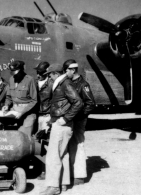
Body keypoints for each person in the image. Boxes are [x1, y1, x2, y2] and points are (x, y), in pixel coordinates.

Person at [40, 63, 82, 195]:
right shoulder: (62, 83)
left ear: (56, 74)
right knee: (62, 154)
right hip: (60, 122)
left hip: (62, 124)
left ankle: (53, 187)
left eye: (50, 75)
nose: (49, 78)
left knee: (53, 155)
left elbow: (78, 102)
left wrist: (65, 118)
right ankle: (63, 183)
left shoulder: (64, 84)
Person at [63, 59, 95, 185]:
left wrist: (79, 116)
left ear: (73, 70)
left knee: (78, 145)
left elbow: (91, 104)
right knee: (70, 145)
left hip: (78, 119)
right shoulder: (70, 82)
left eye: (67, 70)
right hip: (70, 119)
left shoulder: (83, 84)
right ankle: (71, 173)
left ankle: (79, 176)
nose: (66, 73)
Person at [0, 60, 37, 136]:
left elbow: (34, 100)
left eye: (16, 72)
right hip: (13, 110)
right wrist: (6, 105)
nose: (14, 75)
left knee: (23, 135)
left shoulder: (30, 80)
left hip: (27, 112)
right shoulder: (11, 79)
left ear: (21, 70)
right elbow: (8, 97)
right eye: (12, 72)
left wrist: (22, 112)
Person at [33, 61, 53, 180]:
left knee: (46, 144)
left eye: (40, 73)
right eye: (37, 72)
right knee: (36, 143)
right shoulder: (35, 83)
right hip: (36, 116)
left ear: (46, 73)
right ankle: (38, 169)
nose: (38, 75)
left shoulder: (52, 84)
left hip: (46, 116)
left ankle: (45, 171)